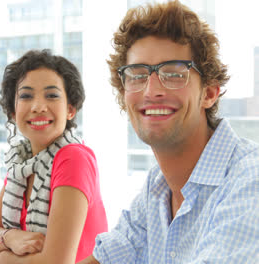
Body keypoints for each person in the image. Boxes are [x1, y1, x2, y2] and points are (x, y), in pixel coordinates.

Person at [78, 1, 259, 263]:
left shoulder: (249, 181)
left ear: (209, 93)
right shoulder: (157, 186)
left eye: (174, 74)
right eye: (138, 75)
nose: (151, 91)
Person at [0, 49, 108, 264]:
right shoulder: (22, 165)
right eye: (26, 96)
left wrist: (0, 258)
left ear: (70, 110)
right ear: (13, 111)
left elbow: (56, 262)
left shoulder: (73, 158)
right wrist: (10, 237)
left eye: (51, 95)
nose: (38, 107)